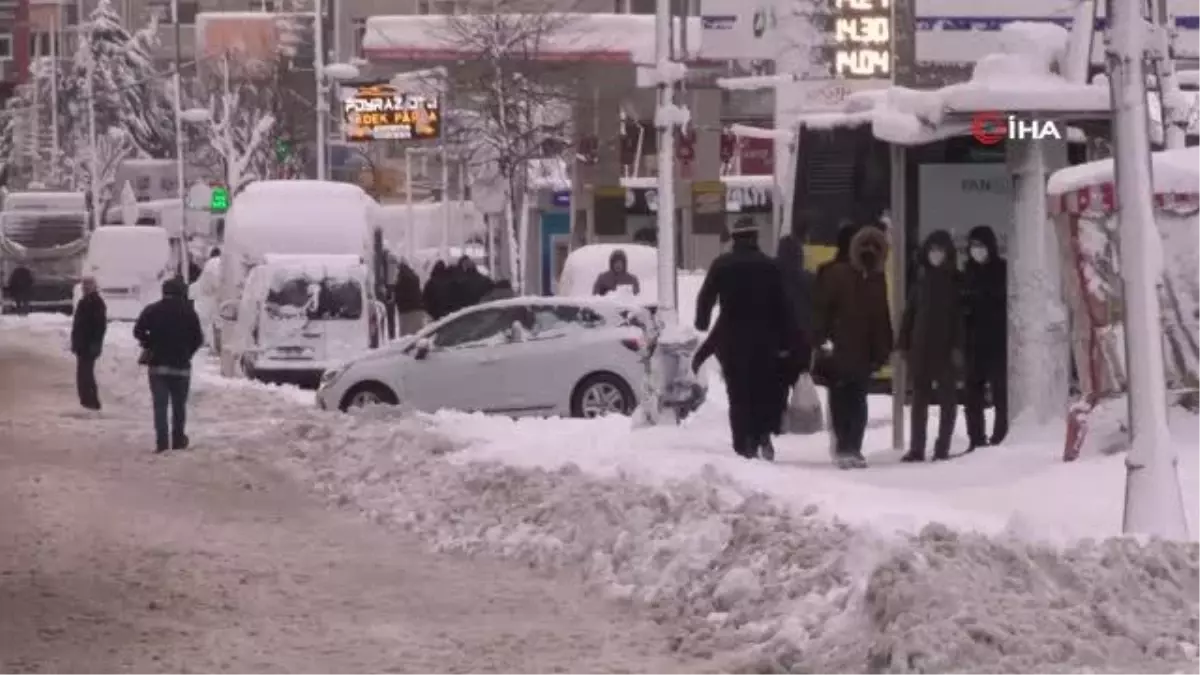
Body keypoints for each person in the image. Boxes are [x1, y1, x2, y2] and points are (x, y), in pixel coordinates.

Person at [694, 217, 795, 460]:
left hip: (733, 342)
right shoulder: (771, 267)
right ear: (755, 237)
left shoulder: (722, 265)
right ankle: (762, 434)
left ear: (735, 239)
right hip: (765, 342)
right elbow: (784, 307)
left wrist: (702, 322)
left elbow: (705, 299)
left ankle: (743, 444)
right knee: (762, 390)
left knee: (738, 394)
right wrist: (785, 343)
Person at [812, 223, 892, 468]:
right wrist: (820, 339)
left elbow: (881, 317)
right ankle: (846, 446)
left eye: (875, 247)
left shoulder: (877, 279)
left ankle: (852, 446)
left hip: (861, 352)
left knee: (854, 400)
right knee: (844, 399)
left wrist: (882, 351)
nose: (869, 252)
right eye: (865, 246)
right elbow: (822, 310)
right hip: (841, 349)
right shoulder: (839, 275)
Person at [897, 230, 963, 462]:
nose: (936, 255)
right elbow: (910, 314)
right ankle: (917, 447)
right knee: (919, 400)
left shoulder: (956, 282)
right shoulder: (921, 280)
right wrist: (904, 342)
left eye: (940, 250)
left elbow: (960, 318)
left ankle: (942, 446)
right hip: (920, 347)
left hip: (945, 349)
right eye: (932, 250)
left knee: (947, 400)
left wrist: (957, 346)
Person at [133, 278, 204, 453]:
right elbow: (198, 338)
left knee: (160, 406)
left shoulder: (153, 310)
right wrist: (187, 352)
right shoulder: (189, 313)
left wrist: (149, 343)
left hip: (158, 366)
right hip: (181, 367)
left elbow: (138, 330)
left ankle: (162, 443)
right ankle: (178, 440)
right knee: (179, 406)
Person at [962, 225, 1008, 451]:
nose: (976, 251)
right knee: (973, 394)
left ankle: (1000, 436)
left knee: (1001, 393)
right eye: (972, 246)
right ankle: (976, 439)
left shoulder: (1002, 271)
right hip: (974, 343)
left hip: (998, 341)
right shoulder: (967, 273)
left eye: (980, 246)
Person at [775, 233, 815, 433]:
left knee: (778, 385)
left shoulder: (770, 278)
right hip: (802, 342)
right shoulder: (809, 279)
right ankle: (801, 422)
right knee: (800, 380)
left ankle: (778, 424)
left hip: (777, 341)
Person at [70, 276, 107, 411]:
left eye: (88, 285)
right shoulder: (84, 301)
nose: (85, 287)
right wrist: (75, 341)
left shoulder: (96, 303)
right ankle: (87, 400)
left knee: (86, 373)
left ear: (94, 286)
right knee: (83, 373)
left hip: (89, 344)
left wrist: (96, 344)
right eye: (84, 285)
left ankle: (91, 401)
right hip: (82, 344)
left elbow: (100, 326)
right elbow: (78, 325)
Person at [393, 259, 425, 336]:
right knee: (418, 334)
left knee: (406, 336)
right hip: (418, 309)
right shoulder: (415, 277)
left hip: (405, 312)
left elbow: (398, 296)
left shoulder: (400, 280)